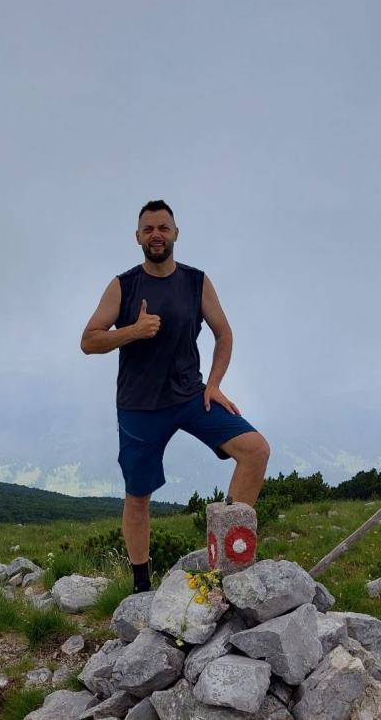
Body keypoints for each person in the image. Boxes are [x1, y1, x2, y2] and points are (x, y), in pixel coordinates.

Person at [80, 199, 270, 593]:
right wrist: (133, 331)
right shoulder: (123, 286)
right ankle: (141, 587)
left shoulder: (196, 282)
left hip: (191, 396)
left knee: (255, 450)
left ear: (176, 233)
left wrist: (214, 384)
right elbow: (89, 341)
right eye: (148, 229)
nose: (156, 235)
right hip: (139, 407)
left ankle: (226, 563)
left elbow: (224, 333)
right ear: (137, 237)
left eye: (163, 228)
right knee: (138, 496)